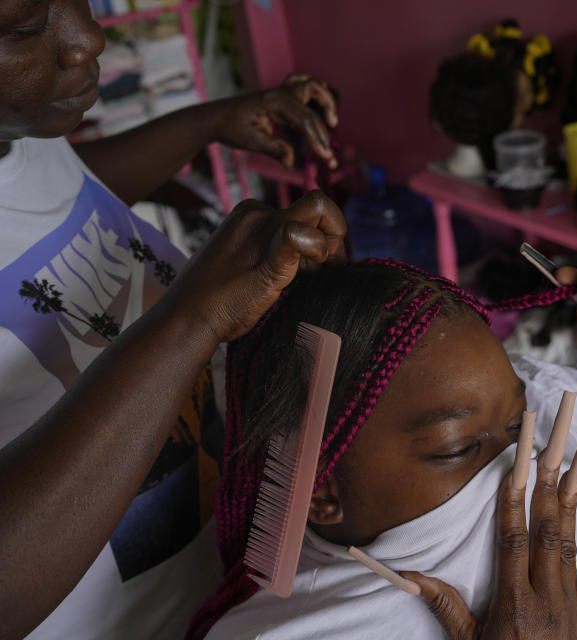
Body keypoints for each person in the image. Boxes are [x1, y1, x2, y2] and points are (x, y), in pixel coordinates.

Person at [0, 0, 343, 637]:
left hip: (217, 591)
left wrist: (204, 124)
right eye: (22, 30)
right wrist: (191, 320)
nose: (87, 39)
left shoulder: (19, 137)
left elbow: (51, 196)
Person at [189, 255, 577, 640]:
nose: (520, 469)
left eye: (515, 425)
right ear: (319, 492)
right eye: (454, 449)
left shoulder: (527, 410)